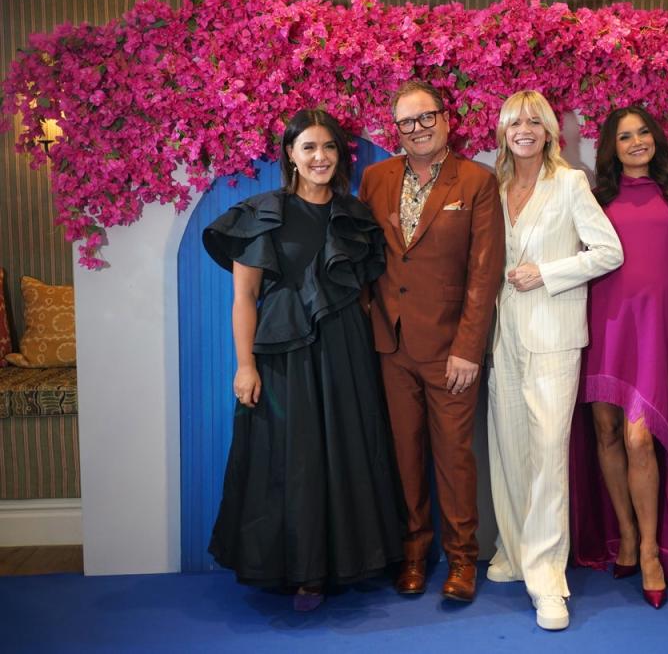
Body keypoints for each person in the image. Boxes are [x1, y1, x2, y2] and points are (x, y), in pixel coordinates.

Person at [202, 108, 405, 611]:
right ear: (290, 155)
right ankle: (301, 570)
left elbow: (364, 294)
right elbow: (244, 298)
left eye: (329, 148)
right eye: (309, 147)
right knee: (291, 460)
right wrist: (244, 365)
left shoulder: (355, 216)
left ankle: (342, 565)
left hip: (345, 352)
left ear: (340, 157)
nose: (320, 157)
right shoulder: (261, 214)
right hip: (283, 355)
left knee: (347, 452)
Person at [570, 106, 668, 608]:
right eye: (624, 137)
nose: (636, 142)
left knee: (640, 440)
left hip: (655, 333)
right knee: (607, 434)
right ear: (610, 148)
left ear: (657, 139)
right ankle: (629, 537)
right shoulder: (595, 199)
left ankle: (654, 553)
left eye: (643, 134)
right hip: (602, 328)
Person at [358, 80, 504, 603]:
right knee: (405, 457)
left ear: (446, 120)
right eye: (406, 122)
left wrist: (468, 347)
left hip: (450, 351)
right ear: (394, 129)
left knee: (454, 458)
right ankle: (414, 554)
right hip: (391, 346)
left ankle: (463, 560)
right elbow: (364, 257)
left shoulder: (477, 180)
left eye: (426, 118)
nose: (417, 129)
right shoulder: (375, 179)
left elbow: (484, 275)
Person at [486, 90, 623, 631]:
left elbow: (608, 251)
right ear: (502, 131)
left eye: (534, 121)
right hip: (503, 338)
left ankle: (547, 579)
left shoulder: (569, 184)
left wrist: (547, 271)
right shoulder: (492, 188)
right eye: (514, 121)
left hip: (554, 336)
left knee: (546, 455)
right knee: (509, 448)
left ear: (549, 131)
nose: (523, 128)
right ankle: (516, 553)